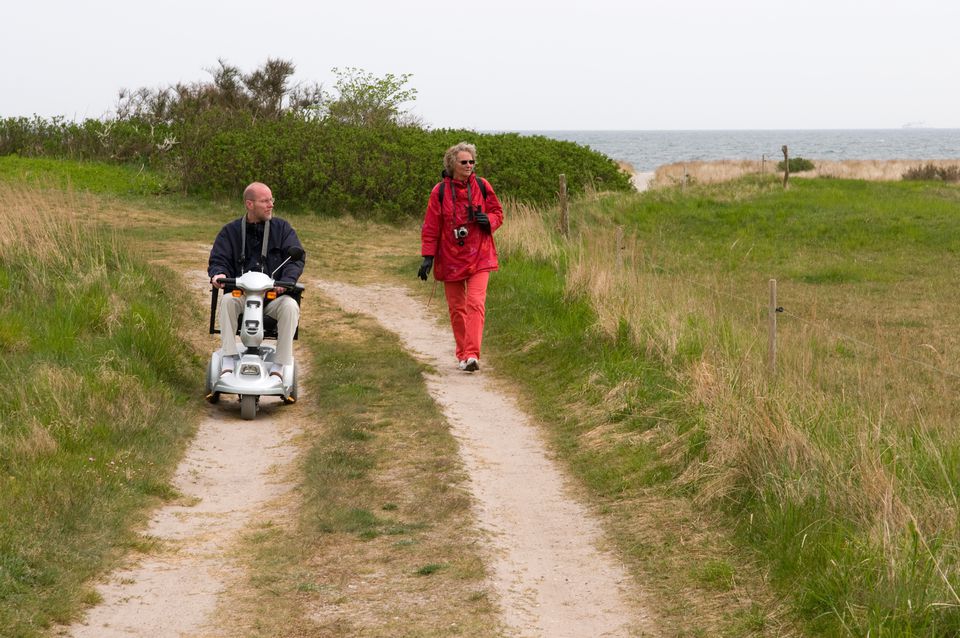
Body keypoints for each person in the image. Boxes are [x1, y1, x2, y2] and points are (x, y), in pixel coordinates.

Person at [418, 142, 504, 372]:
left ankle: (472, 355)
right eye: (463, 162)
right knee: (457, 309)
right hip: (450, 257)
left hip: (481, 255)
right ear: (452, 164)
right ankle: (462, 354)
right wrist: (428, 257)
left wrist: (490, 221)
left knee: (475, 303)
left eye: (471, 162)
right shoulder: (440, 191)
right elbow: (431, 226)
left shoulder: (482, 185)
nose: (469, 165)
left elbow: (498, 212)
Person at [208, 182, 305, 378]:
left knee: (290, 307)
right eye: (265, 201)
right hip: (242, 296)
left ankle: (280, 364)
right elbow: (219, 259)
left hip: (272, 297)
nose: (271, 205)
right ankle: (228, 356)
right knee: (227, 301)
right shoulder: (230, 231)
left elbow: (296, 259)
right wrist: (218, 274)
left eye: (271, 200)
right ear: (249, 204)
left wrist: (285, 282)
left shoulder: (282, 229)